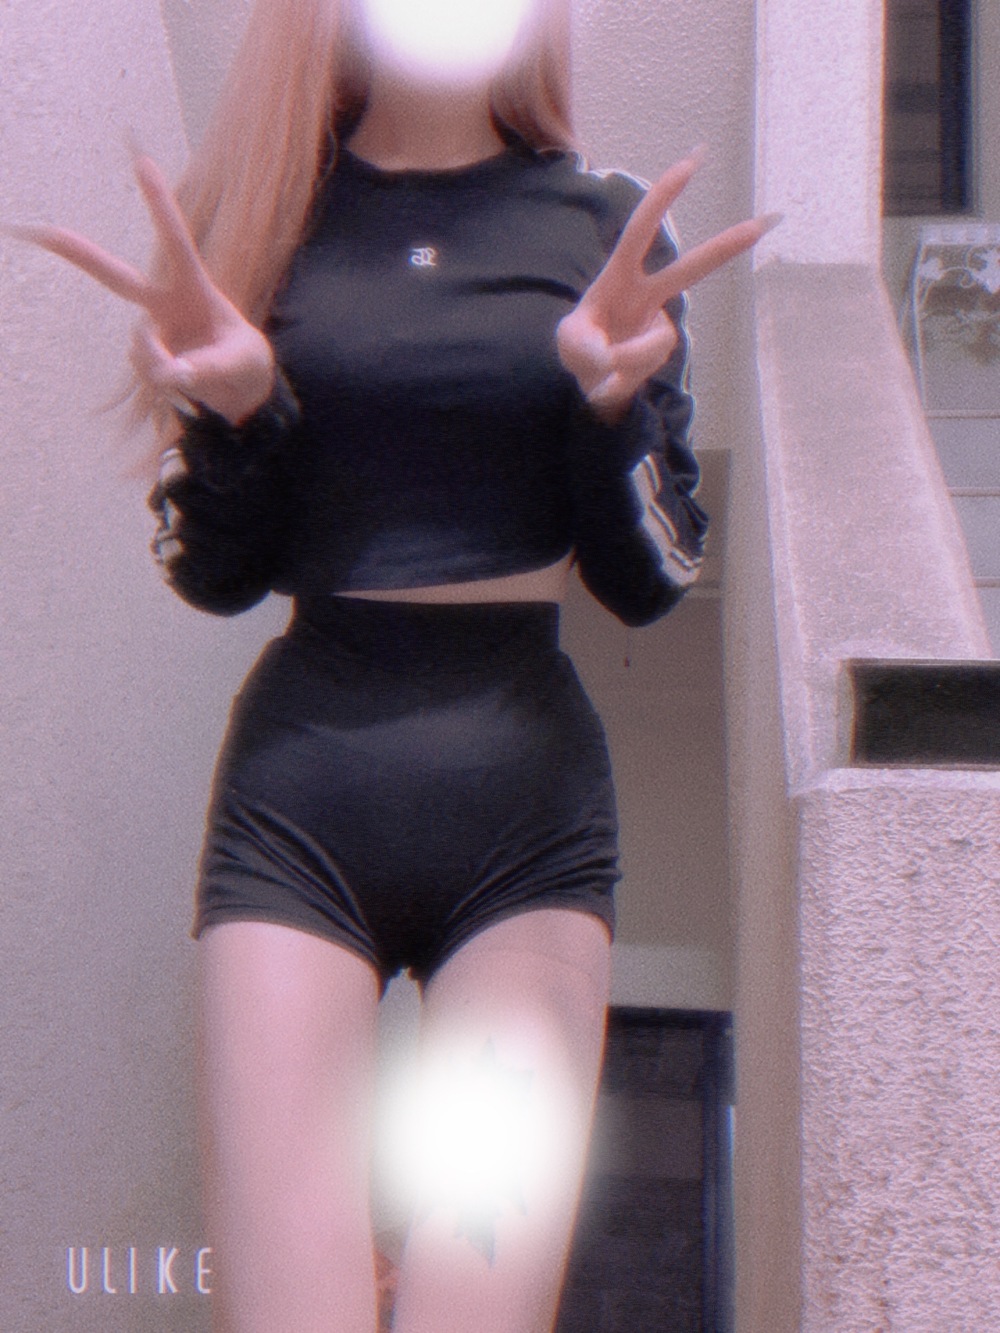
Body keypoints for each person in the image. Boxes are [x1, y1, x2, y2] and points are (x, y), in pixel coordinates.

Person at [16, 1, 773, 1328]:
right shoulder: (265, 228)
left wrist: (609, 406)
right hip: (299, 811)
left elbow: (650, 578)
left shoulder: (603, 228)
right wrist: (240, 413)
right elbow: (213, 574)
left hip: (525, 824)